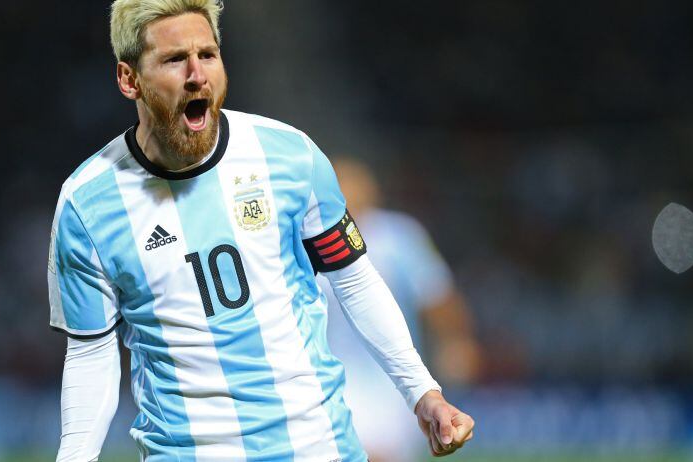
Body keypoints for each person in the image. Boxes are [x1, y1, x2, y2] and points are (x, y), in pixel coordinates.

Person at [47, 1, 474, 460]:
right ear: (129, 78)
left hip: (317, 447)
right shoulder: (86, 205)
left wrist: (421, 390)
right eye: (174, 60)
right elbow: (92, 353)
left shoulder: (291, 157)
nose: (197, 75)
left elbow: (353, 280)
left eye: (207, 54)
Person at [320, 158, 482, 461]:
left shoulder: (399, 237)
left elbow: (437, 296)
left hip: (389, 382)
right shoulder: (308, 240)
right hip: (329, 378)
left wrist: (457, 341)